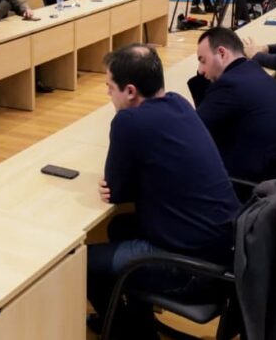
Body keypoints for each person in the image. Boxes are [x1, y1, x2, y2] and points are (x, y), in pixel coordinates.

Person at [90, 44, 239, 336]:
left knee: (85, 263)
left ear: (130, 91)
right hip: (225, 250)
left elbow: (116, 191)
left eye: (110, 87)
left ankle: (124, 332)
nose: (108, 94)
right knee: (119, 226)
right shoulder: (179, 103)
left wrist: (123, 181)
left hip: (193, 269)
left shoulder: (128, 122)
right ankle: (137, 322)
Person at [187, 28, 276, 182]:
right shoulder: (254, 70)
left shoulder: (229, 85)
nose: (202, 70)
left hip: (245, 180)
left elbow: (194, 129)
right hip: (274, 170)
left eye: (203, 61)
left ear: (222, 53)